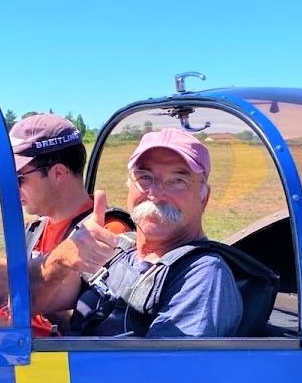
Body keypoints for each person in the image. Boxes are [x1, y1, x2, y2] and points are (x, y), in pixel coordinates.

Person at [33, 128, 243, 337]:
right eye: (145, 177)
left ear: (203, 198)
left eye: (178, 181)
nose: (156, 194)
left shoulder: (202, 274)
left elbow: (162, 367)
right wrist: (61, 261)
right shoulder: (118, 248)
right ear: (129, 185)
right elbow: (36, 301)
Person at [0, 113, 131, 334]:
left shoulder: (105, 234)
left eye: (19, 179)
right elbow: (10, 272)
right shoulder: (36, 230)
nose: (11, 189)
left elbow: (92, 327)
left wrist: (29, 292)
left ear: (58, 173)